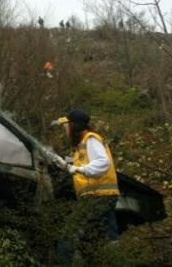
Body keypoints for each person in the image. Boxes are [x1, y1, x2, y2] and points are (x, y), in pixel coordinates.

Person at [53, 108, 119, 265]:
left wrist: (79, 169)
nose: (65, 129)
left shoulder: (90, 139)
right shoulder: (82, 144)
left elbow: (103, 162)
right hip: (101, 196)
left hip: (98, 197)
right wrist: (67, 165)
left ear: (74, 126)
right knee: (105, 239)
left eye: (66, 125)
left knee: (69, 236)